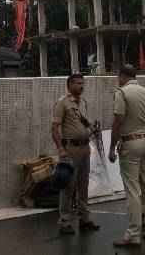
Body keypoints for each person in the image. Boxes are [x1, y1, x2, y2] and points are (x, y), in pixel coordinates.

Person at [109, 66, 145, 247]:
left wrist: (112, 146)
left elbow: (118, 121)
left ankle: (133, 234)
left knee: (132, 190)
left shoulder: (122, 92)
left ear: (122, 76)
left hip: (130, 143)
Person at [51, 73, 100, 235]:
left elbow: (84, 123)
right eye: (78, 83)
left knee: (83, 185)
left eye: (82, 83)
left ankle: (84, 219)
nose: (81, 86)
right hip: (71, 149)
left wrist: (92, 130)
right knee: (69, 186)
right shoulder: (62, 103)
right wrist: (60, 149)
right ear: (69, 85)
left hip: (85, 148)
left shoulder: (83, 103)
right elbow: (55, 128)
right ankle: (65, 221)